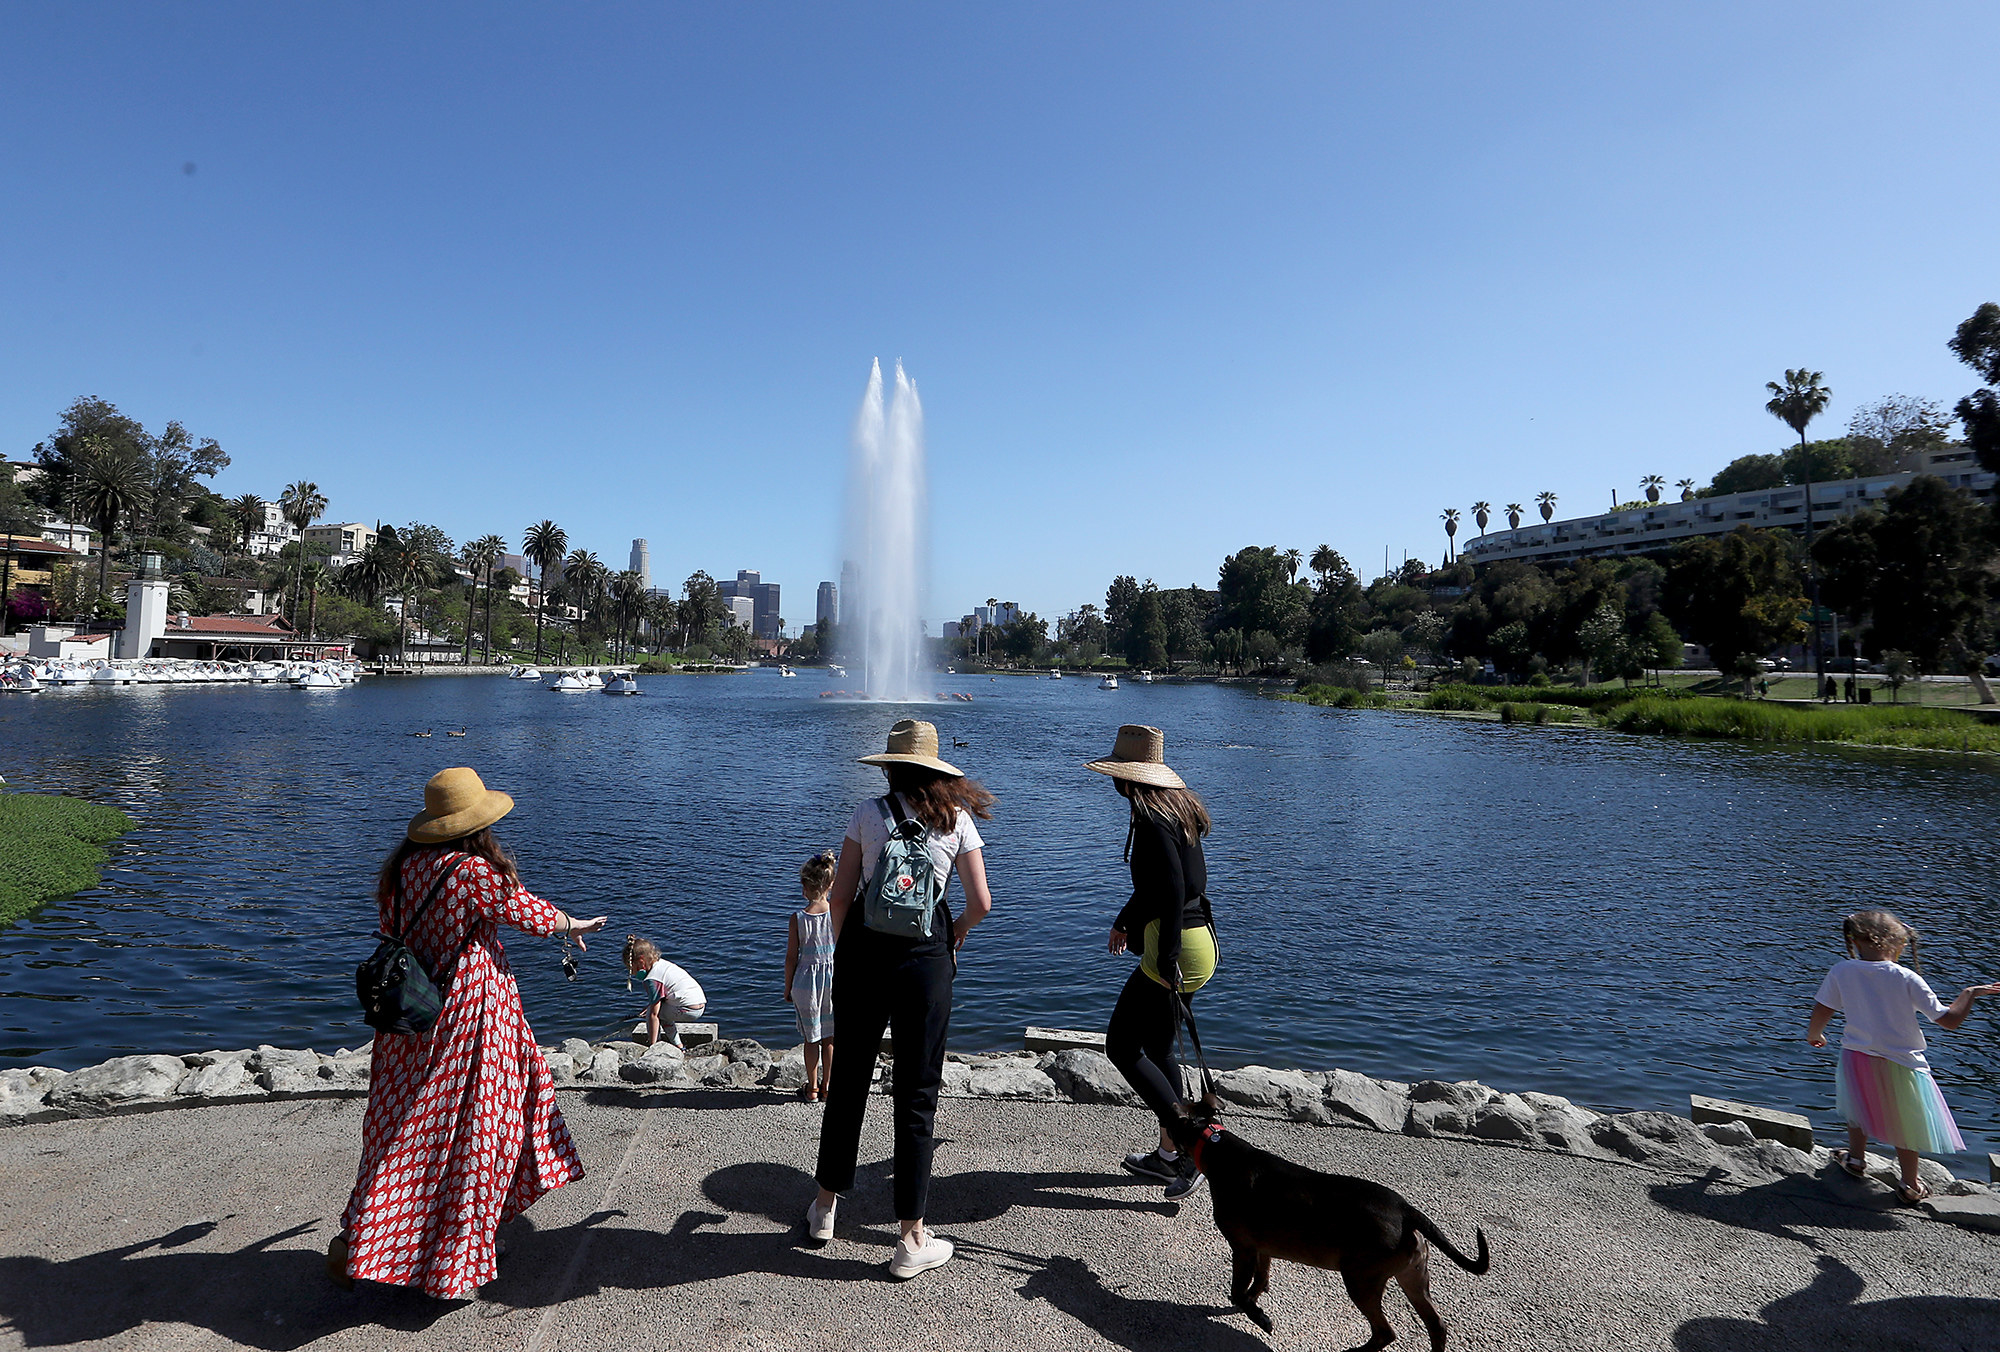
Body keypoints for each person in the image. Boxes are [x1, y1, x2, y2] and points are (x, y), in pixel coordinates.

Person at [331, 767, 608, 1298]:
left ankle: (370, 1240)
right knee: (482, 1129)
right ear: (478, 824)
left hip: (410, 1016)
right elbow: (528, 914)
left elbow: (394, 931)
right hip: (470, 1015)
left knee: (406, 1130)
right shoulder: (472, 871)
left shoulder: (404, 868)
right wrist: (576, 924)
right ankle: (457, 1258)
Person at [807, 719, 994, 1280]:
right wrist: (954, 931)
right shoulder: (957, 820)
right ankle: (911, 1236)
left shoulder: (868, 813)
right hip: (925, 961)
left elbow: (840, 897)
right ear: (937, 772)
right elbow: (982, 902)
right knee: (916, 1095)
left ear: (889, 767)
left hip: (864, 956)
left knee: (849, 1083)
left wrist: (840, 956)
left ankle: (823, 1206)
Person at [1086, 724, 1218, 1201]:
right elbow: (1174, 884)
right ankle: (1167, 1157)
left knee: (1121, 1045)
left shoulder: (1150, 820)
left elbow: (1171, 889)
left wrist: (1165, 958)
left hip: (1176, 945)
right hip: (1199, 938)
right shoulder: (1173, 810)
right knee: (1161, 1044)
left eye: (1116, 773)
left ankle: (1192, 1144)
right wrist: (1126, 920)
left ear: (1128, 778)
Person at [1806, 909, 2000, 1204]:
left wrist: (1815, 1033)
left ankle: (1856, 1159)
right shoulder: (1906, 976)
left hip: (1857, 1054)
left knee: (1856, 1106)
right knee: (1905, 1122)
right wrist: (1969, 993)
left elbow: (1823, 1008)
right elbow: (1948, 1021)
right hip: (1903, 1062)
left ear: (1854, 940)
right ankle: (1910, 1183)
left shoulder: (1842, 970)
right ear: (1897, 943)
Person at [785, 849, 839, 1102]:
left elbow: (791, 958)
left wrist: (788, 988)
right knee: (830, 1037)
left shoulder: (798, 918)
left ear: (804, 885)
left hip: (806, 983)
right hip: (833, 980)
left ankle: (812, 1087)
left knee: (811, 1038)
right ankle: (828, 1088)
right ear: (831, 884)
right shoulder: (838, 914)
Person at [623, 936, 707, 1046]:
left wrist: (652, 1045)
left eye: (631, 968)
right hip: (700, 1004)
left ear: (641, 962)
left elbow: (653, 1014)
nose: (632, 973)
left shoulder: (652, 979)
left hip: (688, 1010)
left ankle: (656, 1045)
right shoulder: (663, 964)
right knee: (659, 1011)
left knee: (653, 1014)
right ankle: (678, 1046)